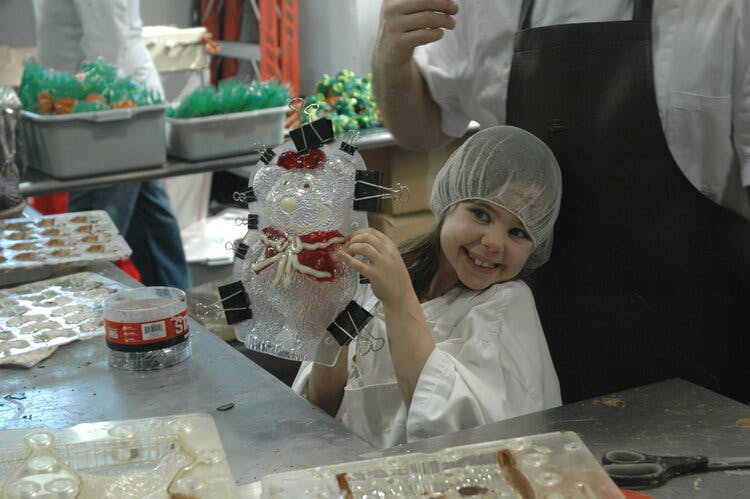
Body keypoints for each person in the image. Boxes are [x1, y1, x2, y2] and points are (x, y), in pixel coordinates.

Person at [371, 0, 750, 404]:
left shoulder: (728, 12)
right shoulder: (484, 7)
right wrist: (392, 54)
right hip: (525, 362)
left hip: (704, 371)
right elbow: (423, 125)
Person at [293, 126, 563, 449]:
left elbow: (449, 432)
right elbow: (321, 405)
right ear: (449, 202)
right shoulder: (385, 275)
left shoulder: (508, 307)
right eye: (480, 214)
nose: (493, 242)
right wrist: (330, 314)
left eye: (518, 233)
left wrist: (399, 299)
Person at [33, 0, 191, 290]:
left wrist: (102, 113)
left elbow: (110, 47)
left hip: (107, 114)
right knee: (149, 224)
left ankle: (87, 317)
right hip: (109, 108)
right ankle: (177, 312)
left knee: (92, 234)